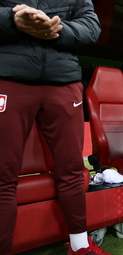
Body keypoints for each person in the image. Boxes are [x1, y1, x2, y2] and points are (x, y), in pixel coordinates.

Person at [0, 2, 110, 255]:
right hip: (9, 77)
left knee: (72, 169)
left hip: (64, 81)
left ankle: (80, 246)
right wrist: (14, 21)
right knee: (3, 176)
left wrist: (57, 28)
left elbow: (91, 26)